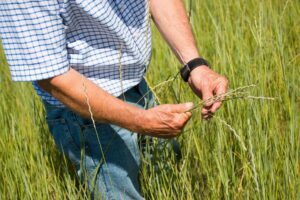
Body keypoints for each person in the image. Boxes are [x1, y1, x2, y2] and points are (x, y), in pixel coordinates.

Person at [0, 0, 228, 199]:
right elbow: (51, 77)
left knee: (167, 179)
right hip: (86, 113)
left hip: (138, 85)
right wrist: (142, 121)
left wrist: (195, 66)